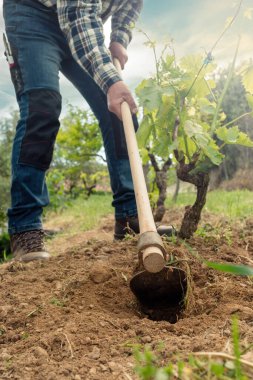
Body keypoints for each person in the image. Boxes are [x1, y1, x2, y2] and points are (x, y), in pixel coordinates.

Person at [3, 0, 144, 262]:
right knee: (41, 107)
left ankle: (131, 216)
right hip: (31, 15)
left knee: (118, 108)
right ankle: (25, 226)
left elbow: (132, 3)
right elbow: (78, 15)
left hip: (81, 21)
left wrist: (119, 38)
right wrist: (111, 80)